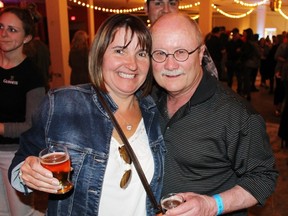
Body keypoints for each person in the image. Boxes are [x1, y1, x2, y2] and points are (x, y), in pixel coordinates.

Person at [8, 14, 165, 216]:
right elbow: (20, 165)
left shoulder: (155, 111)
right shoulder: (63, 104)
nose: (132, 64)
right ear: (100, 55)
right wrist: (27, 173)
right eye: (120, 51)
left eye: (141, 54)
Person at [150, 13, 278, 216]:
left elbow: (263, 178)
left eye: (181, 52)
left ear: (201, 53)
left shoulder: (237, 115)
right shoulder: (147, 99)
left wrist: (211, 205)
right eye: (159, 53)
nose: (170, 65)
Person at [0, 6, 46, 216]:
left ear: (27, 38)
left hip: (16, 155)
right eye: (0, 27)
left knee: (22, 213)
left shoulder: (32, 76)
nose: (4, 34)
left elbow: (33, 125)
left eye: (12, 29)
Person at [144, 0, 218, 79]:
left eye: (172, 3)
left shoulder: (192, 43)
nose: (166, 10)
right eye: (158, 3)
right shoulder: (138, 43)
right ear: (146, 8)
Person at [225, 28, 243, 93]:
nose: (234, 35)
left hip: (237, 62)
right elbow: (228, 52)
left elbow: (242, 52)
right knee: (230, 78)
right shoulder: (230, 42)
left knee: (239, 78)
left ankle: (239, 91)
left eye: (235, 34)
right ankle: (229, 91)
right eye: (234, 34)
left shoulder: (241, 43)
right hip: (231, 62)